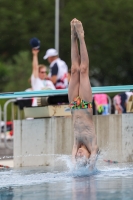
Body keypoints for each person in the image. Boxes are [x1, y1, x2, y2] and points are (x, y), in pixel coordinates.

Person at [69, 18, 99, 169]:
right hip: (86, 104)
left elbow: (73, 163)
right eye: (83, 157)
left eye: (77, 156)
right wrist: (90, 165)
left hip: (74, 105)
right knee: (83, 70)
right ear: (89, 157)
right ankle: (81, 36)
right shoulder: (92, 144)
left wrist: (76, 165)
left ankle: (72, 37)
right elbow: (94, 157)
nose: (79, 155)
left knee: (74, 70)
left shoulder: (77, 143)